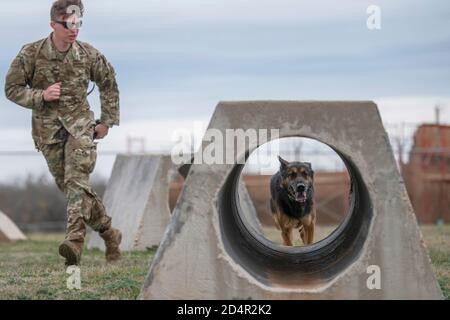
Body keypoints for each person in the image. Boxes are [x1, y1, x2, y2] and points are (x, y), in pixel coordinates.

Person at [4, 0, 122, 266]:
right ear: (53, 25)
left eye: (78, 24)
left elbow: (109, 83)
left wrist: (106, 121)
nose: (74, 30)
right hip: (48, 133)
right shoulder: (30, 54)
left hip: (81, 126)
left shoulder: (88, 54)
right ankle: (109, 232)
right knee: (72, 189)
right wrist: (40, 95)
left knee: (76, 181)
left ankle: (75, 242)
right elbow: (11, 89)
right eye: (68, 25)